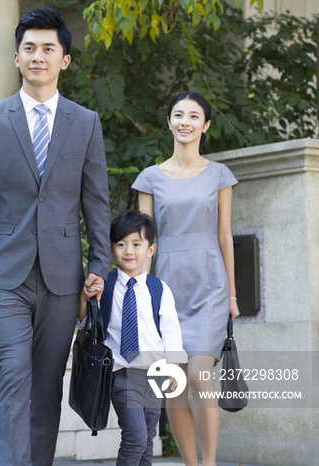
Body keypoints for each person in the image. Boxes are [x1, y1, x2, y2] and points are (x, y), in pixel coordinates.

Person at [0, 7, 111, 466]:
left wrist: (99, 266)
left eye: (48, 48)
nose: (37, 56)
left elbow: (96, 203)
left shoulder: (86, 123)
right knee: (14, 378)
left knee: (46, 389)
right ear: (16, 58)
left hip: (64, 279)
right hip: (6, 276)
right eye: (29, 48)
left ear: (64, 59)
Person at [132, 92, 239, 466]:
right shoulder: (149, 178)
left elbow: (225, 236)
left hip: (210, 287)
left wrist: (233, 297)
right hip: (166, 290)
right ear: (169, 122)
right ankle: (191, 464)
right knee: (173, 387)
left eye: (194, 116)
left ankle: (209, 462)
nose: (185, 121)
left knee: (198, 376)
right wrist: (139, 296)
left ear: (205, 125)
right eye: (178, 114)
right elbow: (144, 241)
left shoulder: (219, 175)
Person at [82, 210, 187, 466]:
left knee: (148, 439)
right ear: (111, 249)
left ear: (150, 250)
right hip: (121, 375)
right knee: (136, 437)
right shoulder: (103, 286)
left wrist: (174, 369)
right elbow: (85, 325)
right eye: (120, 244)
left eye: (136, 244)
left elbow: (171, 331)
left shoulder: (159, 288)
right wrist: (85, 299)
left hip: (154, 375)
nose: (128, 251)